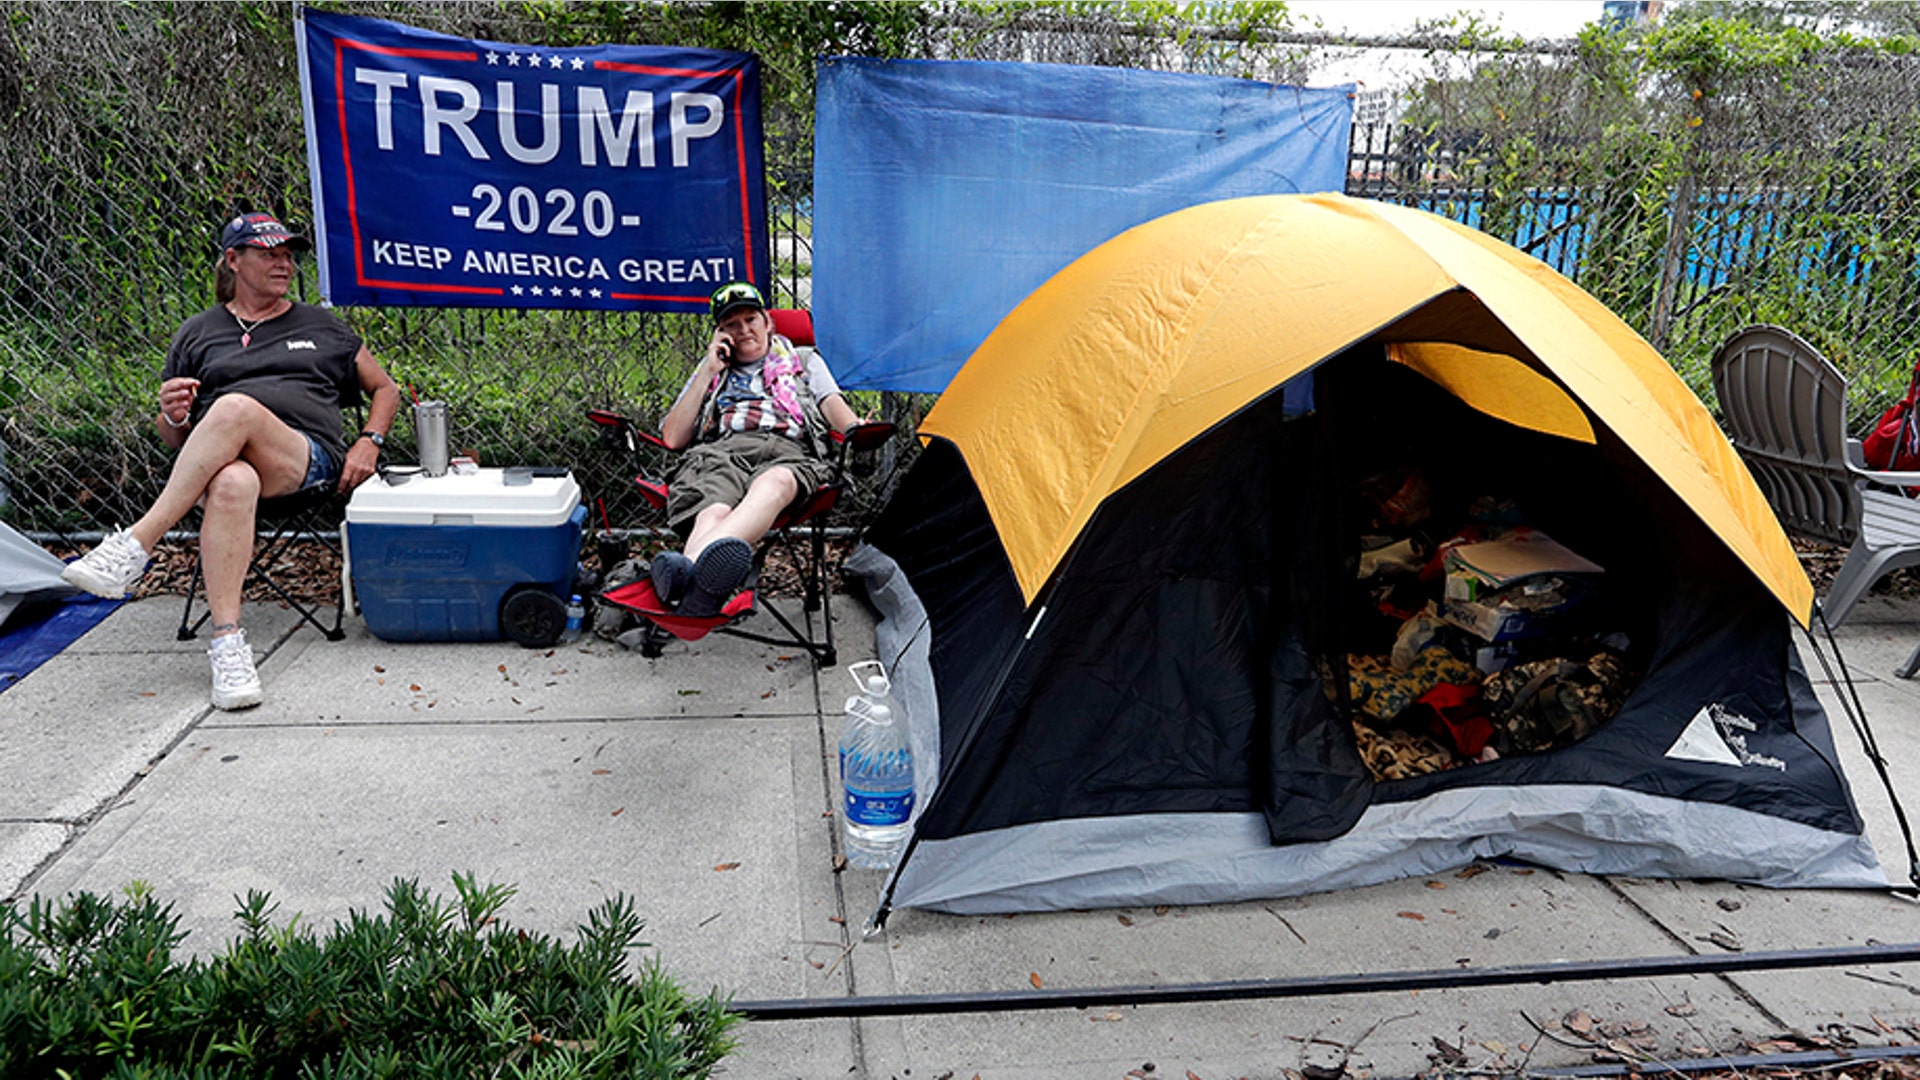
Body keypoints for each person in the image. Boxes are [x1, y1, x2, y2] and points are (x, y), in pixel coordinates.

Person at [61, 213, 401, 710]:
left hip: (304, 462)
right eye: (268, 253)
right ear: (233, 261)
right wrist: (171, 414)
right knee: (231, 482)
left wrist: (369, 440)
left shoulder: (322, 325)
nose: (283, 263)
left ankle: (137, 543)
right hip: (226, 470)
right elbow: (176, 440)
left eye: (288, 254)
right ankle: (228, 645)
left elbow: (386, 388)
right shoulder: (197, 332)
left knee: (235, 407)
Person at [650, 281, 864, 617]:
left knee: (775, 483)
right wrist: (708, 370)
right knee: (715, 512)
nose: (744, 330)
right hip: (721, 453)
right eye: (731, 325)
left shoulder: (804, 360)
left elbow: (831, 403)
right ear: (720, 335)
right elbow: (674, 438)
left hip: (788, 451)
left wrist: (854, 428)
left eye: (751, 319)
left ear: (768, 322)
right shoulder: (713, 369)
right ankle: (702, 591)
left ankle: (686, 576)